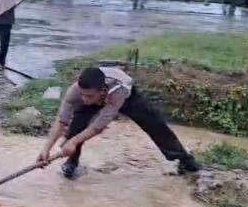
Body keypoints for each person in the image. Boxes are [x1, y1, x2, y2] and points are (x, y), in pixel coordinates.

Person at [37, 66, 201, 179]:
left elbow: (98, 127)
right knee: (76, 127)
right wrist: (46, 149)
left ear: (102, 91)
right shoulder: (75, 93)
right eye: (83, 95)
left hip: (128, 97)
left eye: (89, 96)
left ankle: (184, 160)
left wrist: (72, 141)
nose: (85, 100)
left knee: (155, 123)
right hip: (100, 93)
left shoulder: (118, 92)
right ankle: (71, 162)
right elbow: (61, 121)